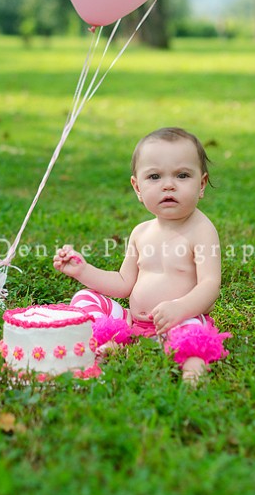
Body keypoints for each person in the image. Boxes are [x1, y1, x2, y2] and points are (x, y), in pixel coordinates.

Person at [53, 127, 231, 384]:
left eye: (182, 175)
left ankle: (192, 371)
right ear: (137, 187)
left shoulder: (201, 230)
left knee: (193, 332)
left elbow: (210, 284)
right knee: (85, 298)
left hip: (178, 322)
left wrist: (181, 308)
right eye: (155, 176)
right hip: (133, 321)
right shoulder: (141, 232)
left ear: (201, 184)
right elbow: (123, 283)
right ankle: (121, 341)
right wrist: (84, 270)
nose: (168, 185)